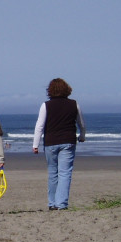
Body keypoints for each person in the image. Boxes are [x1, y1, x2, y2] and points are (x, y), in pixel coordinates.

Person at [32, 78, 86, 210]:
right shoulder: (74, 104)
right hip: (68, 141)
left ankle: (52, 203)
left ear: (50, 90)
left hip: (51, 142)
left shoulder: (46, 105)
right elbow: (81, 123)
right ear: (67, 89)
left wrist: (35, 144)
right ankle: (61, 204)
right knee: (65, 173)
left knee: (52, 173)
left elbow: (39, 126)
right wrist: (82, 136)